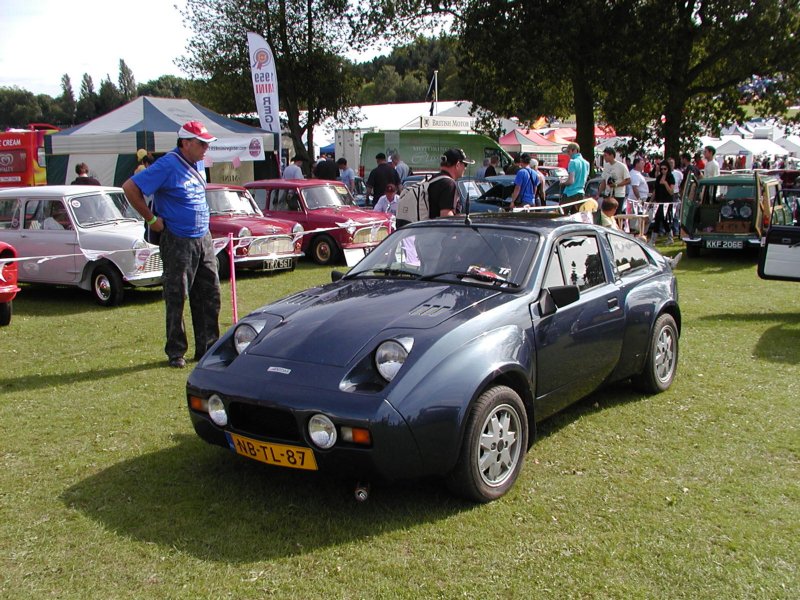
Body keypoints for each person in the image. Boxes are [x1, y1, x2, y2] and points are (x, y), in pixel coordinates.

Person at [122, 120, 221, 369]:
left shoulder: (198, 162)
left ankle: (208, 348)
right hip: (177, 239)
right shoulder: (167, 164)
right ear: (185, 143)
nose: (206, 148)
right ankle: (176, 351)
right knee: (177, 296)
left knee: (210, 294)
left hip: (203, 237)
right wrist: (151, 219)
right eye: (201, 143)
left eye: (207, 143)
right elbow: (130, 188)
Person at [649, 162, 675, 246]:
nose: (663, 170)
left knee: (659, 219)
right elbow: (655, 190)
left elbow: (671, 192)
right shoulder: (659, 177)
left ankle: (653, 240)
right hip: (658, 202)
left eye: (665, 169)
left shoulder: (671, 177)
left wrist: (665, 183)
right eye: (661, 169)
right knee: (663, 220)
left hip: (667, 202)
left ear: (668, 169)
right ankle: (670, 238)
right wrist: (651, 200)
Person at [598, 148, 631, 214]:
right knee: (606, 213)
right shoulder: (606, 166)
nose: (604, 158)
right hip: (608, 194)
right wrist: (599, 193)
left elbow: (628, 180)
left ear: (612, 155)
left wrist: (616, 185)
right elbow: (604, 181)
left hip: (618, 195)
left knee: (616, 214)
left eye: (606, 155)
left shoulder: (622, 166)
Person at [562, 142, 590, 213]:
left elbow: (571, 181)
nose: (568, 154)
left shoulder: (573, 162)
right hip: (581, 192)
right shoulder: (587, 163)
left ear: (574, 150)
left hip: (570, 193)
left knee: (561, 214)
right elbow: (585, 178)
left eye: (569, 151)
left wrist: (563, 183)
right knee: (577, 216)